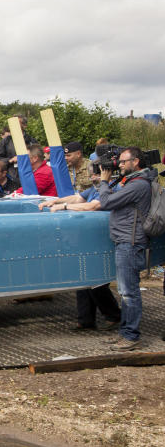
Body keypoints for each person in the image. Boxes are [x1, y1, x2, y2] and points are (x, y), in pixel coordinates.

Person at [39, 182, 122, 331]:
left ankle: (114, 315)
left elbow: (93, 206)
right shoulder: (97, 187)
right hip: (88, 240)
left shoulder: (111, 188)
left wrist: (63, 207)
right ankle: (86, 320)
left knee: (96, 282)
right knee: (83, 280)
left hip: (101, 240)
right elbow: (78, 198)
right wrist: (55, 201)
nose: (93, 175)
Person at [97, 147, 154, 351]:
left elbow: (106, 202)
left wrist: (104, 181)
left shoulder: (138, 185)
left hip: (130, 243)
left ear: (136, 161)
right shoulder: (133, 182)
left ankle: (131, 336)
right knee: (125, 290)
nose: (119, 165)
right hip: (125, 241)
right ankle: (125, 333)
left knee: (128, 292)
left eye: (122, 162)